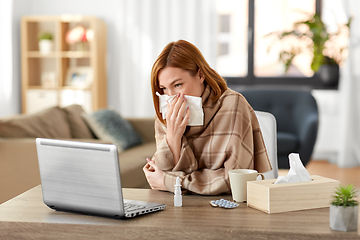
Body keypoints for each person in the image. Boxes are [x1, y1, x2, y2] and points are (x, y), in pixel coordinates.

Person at [143, 39, 272, 195]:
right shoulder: (166, 113)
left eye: (177, 85)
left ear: (200, 75)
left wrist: (174, 182)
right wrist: (173, 136)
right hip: (177, 206)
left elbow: (234, 179)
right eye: (163, 89)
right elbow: (160, 175)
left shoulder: (233, 105)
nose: (171, 97)